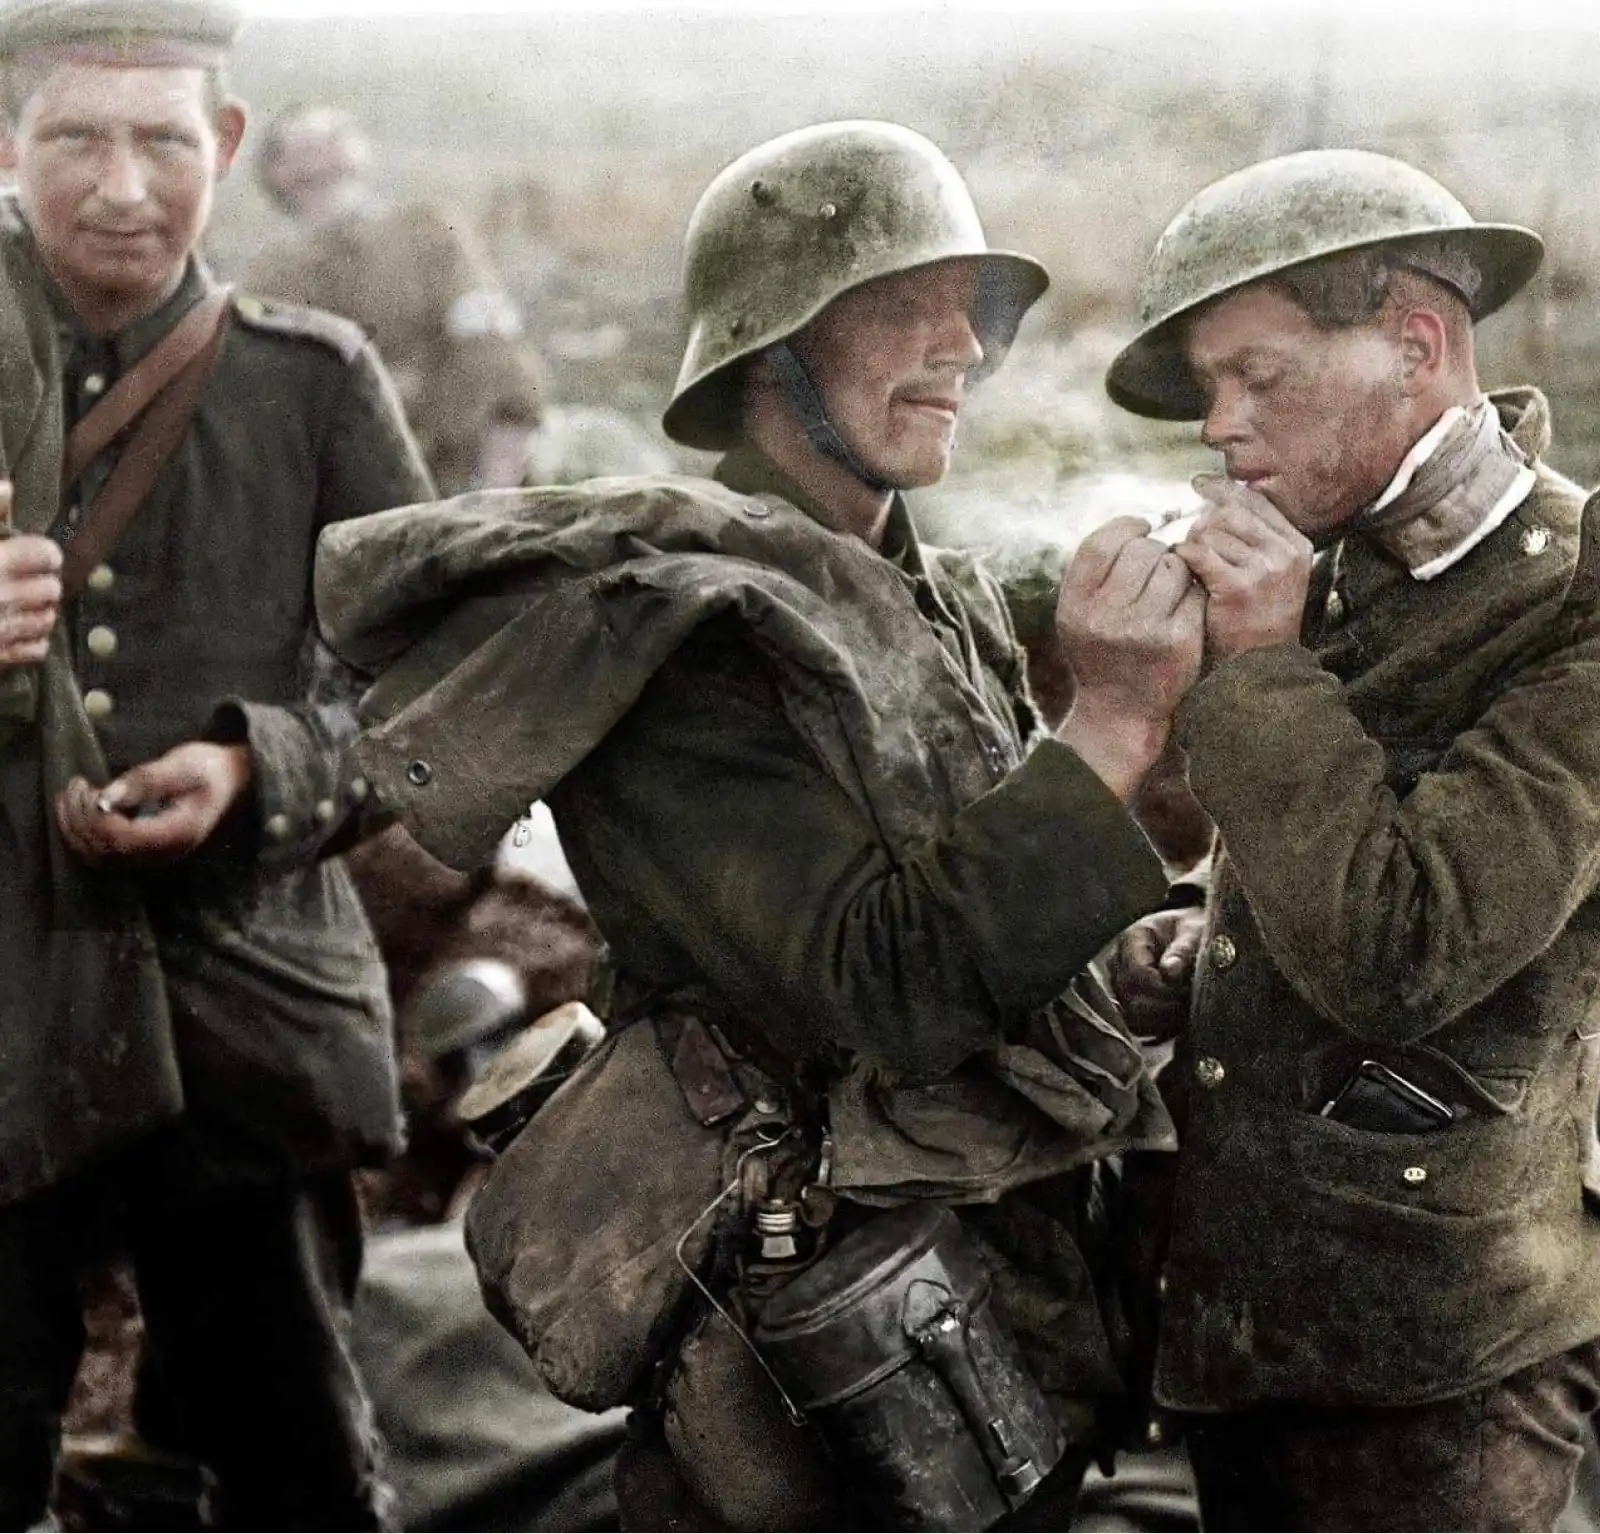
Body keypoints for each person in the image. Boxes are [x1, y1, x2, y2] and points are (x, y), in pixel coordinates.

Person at [313, 120, 1200, 1531]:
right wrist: (1109, 728)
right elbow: (887, 983)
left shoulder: (926, 597)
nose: (960, 345)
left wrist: (1121, 962)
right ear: (770, 351)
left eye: (968, 309)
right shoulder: (685, 633)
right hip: (819, 1369)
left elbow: (985, 914)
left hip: (1005, 1323)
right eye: (902, 306)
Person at [1101, 148, 1600, 1531]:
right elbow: (1319, 855)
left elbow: (1406, 951)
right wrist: (1208, 941)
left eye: (1256, 377)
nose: (1218, 428)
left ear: (1416, 344)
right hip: (1262, 1321)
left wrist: (1259, 668)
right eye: (1210, 389)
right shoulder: (1341, 562)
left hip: (1431, 1369)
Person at [0, 0, 436, 1525]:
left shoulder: (311, 383)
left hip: (244, 1028)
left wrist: (265, 771)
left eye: (162, 140)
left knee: (299, 1469)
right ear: (5, 142)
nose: (123, 186)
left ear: (227, 147)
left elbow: (434, 692)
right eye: (75, 138)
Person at [244, 103, 545, 494]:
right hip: (340, 492)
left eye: (338, 133)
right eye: (309, 140)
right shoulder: (269, 277)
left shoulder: (429, 231)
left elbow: (495, 350)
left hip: (459, 473)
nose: (330, 148)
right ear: (278, 171)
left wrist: (493, 490)